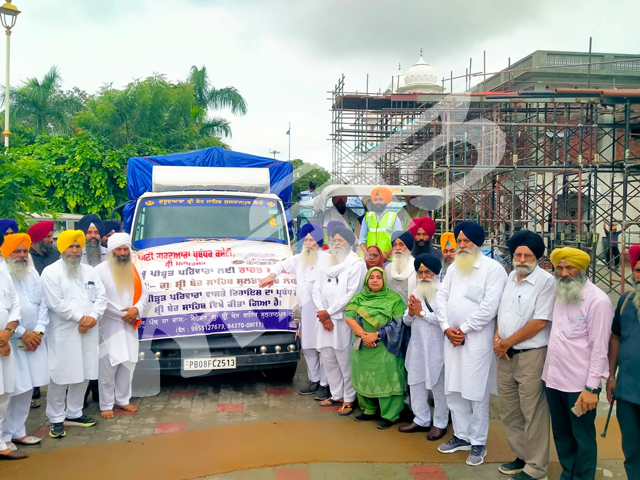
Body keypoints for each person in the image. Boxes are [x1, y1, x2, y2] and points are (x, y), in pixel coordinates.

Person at [436, 221, 507, 467]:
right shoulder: (454, 268)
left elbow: (490, 306)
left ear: (478, 242)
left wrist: (463, 329)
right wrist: (446, 327)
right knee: (453, 389)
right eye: (459, 241)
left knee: (476, 392)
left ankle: (478, 442)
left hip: (476, 340)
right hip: (451, 339)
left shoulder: (493, 269)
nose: (462, 245)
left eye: (467, 241)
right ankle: (461, 436)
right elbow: (441, 297)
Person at [543, 247, 614, 480]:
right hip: (553, 379)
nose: (564, 273)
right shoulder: (560, 294)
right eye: (560, 268)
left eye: (570, 268)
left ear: (582, 269)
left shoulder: (598, 301)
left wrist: (592, 388)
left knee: (582, 438)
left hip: (580, 385)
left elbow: (600, 348)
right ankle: (568, 475)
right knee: (562, 435)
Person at [494, 231, 555, 480]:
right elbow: (502, 313)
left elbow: (540, 322)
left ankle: (536, 468)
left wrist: (506, 342)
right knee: (509, 411)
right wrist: (498, 340)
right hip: (504, 355)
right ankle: (521, 456)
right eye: (518, 254)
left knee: (533, 413)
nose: (522, 259)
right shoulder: (510, 277)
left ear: (537, 257)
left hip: (531, 356)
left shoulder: (546, 282)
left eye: (528, 255)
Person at [41, 230, 108, 438]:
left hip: (89, 329)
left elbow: (102, 297)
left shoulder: (89, 271)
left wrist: (92, 318)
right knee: (61, 375)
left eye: (78, 246)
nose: (75, 250)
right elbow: (56, 303)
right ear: (62, 248)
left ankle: (74, 412)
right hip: (63, 332)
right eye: (70, 246)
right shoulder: (50, 272)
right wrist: (81, 318)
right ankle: (55, 418)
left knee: (85, 371)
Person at [260, 223, 330, 400]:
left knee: (324, 348)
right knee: (308, 347)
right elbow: (281, 265)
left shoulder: (327, 259)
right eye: (305, 240)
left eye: (311, 240)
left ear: (318, 242)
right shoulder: (299, 259)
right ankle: (314, 381)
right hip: (306, 312)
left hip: (324, 311)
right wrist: (272, 275)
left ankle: (325, 384)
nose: (308, 243)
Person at [0, 234, 49, 451]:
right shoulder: (3, 274)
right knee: (13, 389)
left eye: (24, 251)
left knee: (28, 387)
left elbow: (43, 304)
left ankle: (19, 431)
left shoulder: (32, 272)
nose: (21, 255)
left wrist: (38, 331)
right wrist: (22, 333)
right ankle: (4, 436)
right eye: (16, 251)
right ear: (6, 253)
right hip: (13, 340)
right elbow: (9, 310)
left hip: (34, 340)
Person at [313, 226, 367, 416]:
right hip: (324, 319)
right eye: (334, 240)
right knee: (328, 358)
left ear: (348, 243)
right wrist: (322, 313)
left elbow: (352, 294)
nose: (336, 243)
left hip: (343, 319)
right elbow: (316, 289)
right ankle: (336, 394)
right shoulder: (326, 261)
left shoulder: (356, 264)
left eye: (340, 240)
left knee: (344, 360)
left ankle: (349, 398)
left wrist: (328, 312)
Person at [345, 267, 408, 430]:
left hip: (386, 347)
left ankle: (389, 415)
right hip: (363, 345)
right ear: (367, 280)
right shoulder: (359, 297)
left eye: (379, 277)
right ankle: (369, 410)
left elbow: (399, 323)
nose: (374, 280)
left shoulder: (394, 299)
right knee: (364, 376)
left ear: (384, 280)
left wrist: (377, 335)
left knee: (386, 378)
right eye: (371, 277)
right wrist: (364, 335)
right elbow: (349, 317)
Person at [94, 233, 148, 419]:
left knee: (128, 363)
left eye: (125, 249)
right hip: (110, 325)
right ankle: (106, 404)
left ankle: (123, 400)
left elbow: (144, 293)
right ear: (111, 251)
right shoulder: (99, 271)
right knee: (108, 366)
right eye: (119, 249)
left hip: (130, 325)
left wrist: (136, 309)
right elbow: (100, 299)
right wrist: (124, 314)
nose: (123, 253)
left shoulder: (135, 268)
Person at [399, 254, 449, 441]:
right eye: (420, 272)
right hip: (417, 347)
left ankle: (440, 423)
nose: (424, 276)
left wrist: (421, 313)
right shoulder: (416, 291)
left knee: (438, 386)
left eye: (427, 272)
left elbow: (445, 321)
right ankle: (421, 419)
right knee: (416, 383)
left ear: (435, 272)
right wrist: (411, 314)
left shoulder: (443, 292)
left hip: (437, 347)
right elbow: (406, 320)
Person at [607, 244, 640, 480]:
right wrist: (611, 376)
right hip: (628, 392)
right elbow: (615, 338)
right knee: (632, 450)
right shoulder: (626, 301)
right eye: (638, 270)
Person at [0, 233, 28, 461]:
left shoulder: (3, 272)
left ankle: (1, 443)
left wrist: (7, 333)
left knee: (4, 393)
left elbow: (15, 305)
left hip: (5, 342)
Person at [359, 187, 402, 262]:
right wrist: (368, 255)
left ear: (386, 201)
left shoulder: (394, 217)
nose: (378, 202)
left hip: (387, 260)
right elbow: (362, 240)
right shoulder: (367, 217)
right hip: (368, 260)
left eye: (381, 199)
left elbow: (398, 240)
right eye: (375, 200)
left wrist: (386, 255)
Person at [384, 231, 416, 304]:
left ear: (408, 247)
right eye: (395, 245)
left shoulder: (416, 267)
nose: (397, 248)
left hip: (410, 308)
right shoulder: (388, 268)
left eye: (401, 245)